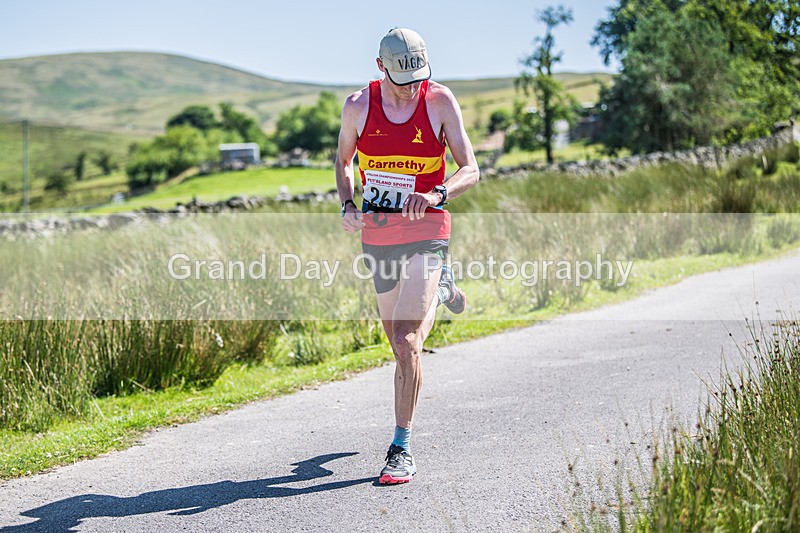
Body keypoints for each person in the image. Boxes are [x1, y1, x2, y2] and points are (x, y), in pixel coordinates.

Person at [335, 27, 480, 484]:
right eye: (403, 79)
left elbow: (471, 168)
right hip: (379, 236)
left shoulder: (439, 101)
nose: (412, 86)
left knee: (407, 343)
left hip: (426, 230)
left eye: (419, 77)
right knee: (395, 347)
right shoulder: (359, 106)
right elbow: (342, 162)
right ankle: (442, 287)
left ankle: (400, 447)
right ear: (381, 68)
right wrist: (347, 204)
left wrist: (438, 192)